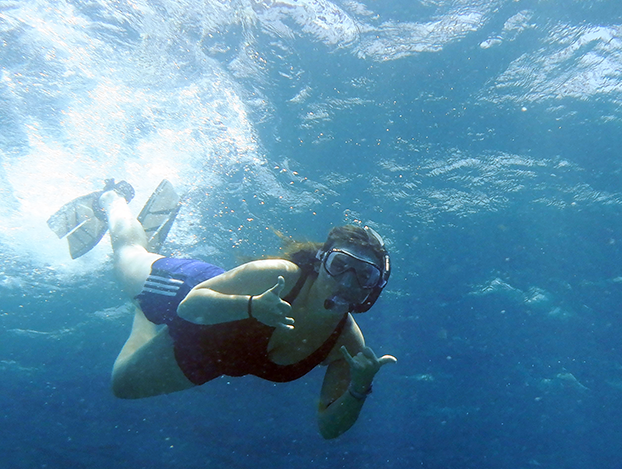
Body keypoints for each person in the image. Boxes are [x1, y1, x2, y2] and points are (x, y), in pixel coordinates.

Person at [52, 180, 397, 439]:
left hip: (215, 353)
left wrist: (358, 388)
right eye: (340, 265)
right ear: (322, 262)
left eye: (364, 275)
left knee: (121, 384)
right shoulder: (280, 275)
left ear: (374, 287)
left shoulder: (348, 346)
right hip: (188, 292)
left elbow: (328, 427)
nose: (347, 282)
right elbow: (191, 306)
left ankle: (142, 310)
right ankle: (112, 198)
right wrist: (251, 307)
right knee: (127, 255)